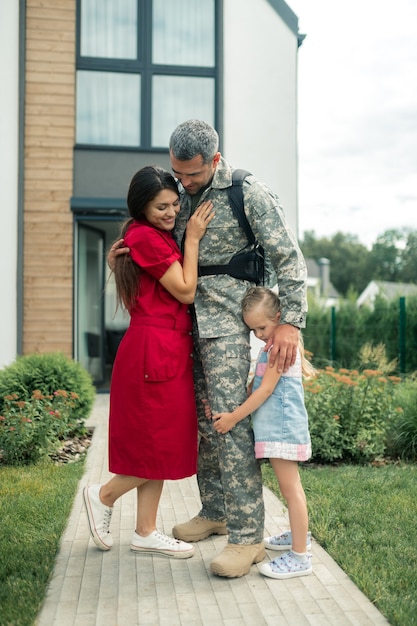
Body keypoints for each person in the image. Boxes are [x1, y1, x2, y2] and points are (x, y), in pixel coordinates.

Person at [109, 120, 308, 577]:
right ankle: (215, 510)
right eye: (178, 174)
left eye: (192, 175)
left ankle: (247, 537)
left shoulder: (247, 191)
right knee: (202, 424)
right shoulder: (179, 196)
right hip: (185, 326)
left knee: (229, 424)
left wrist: (291, 322)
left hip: (231, 326)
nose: (183, 183)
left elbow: (288, 257)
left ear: (214, 160)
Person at [83, 165, 214, 558]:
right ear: (141, 207)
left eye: (175, 204)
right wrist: (192, 238)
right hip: (154, 348)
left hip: (164, 346)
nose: (172, 213)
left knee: (157, 444)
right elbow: (186, 291)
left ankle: (144, 531)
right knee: (162, 444)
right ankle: (102, 495)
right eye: (161, 207)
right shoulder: (147, 237)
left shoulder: (145, 236)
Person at [210, 286, 314, 579]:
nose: (258, 334)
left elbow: (267, 389)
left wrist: (232, 418)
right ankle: (298, 535)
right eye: (253, 330)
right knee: (288, 489)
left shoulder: (280, 349)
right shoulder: (271, 347)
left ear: (279, 318)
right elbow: (257, 386)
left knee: (291, 491)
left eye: (262, 327)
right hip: (276, 427)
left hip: (283, 428)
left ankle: (300, 556)